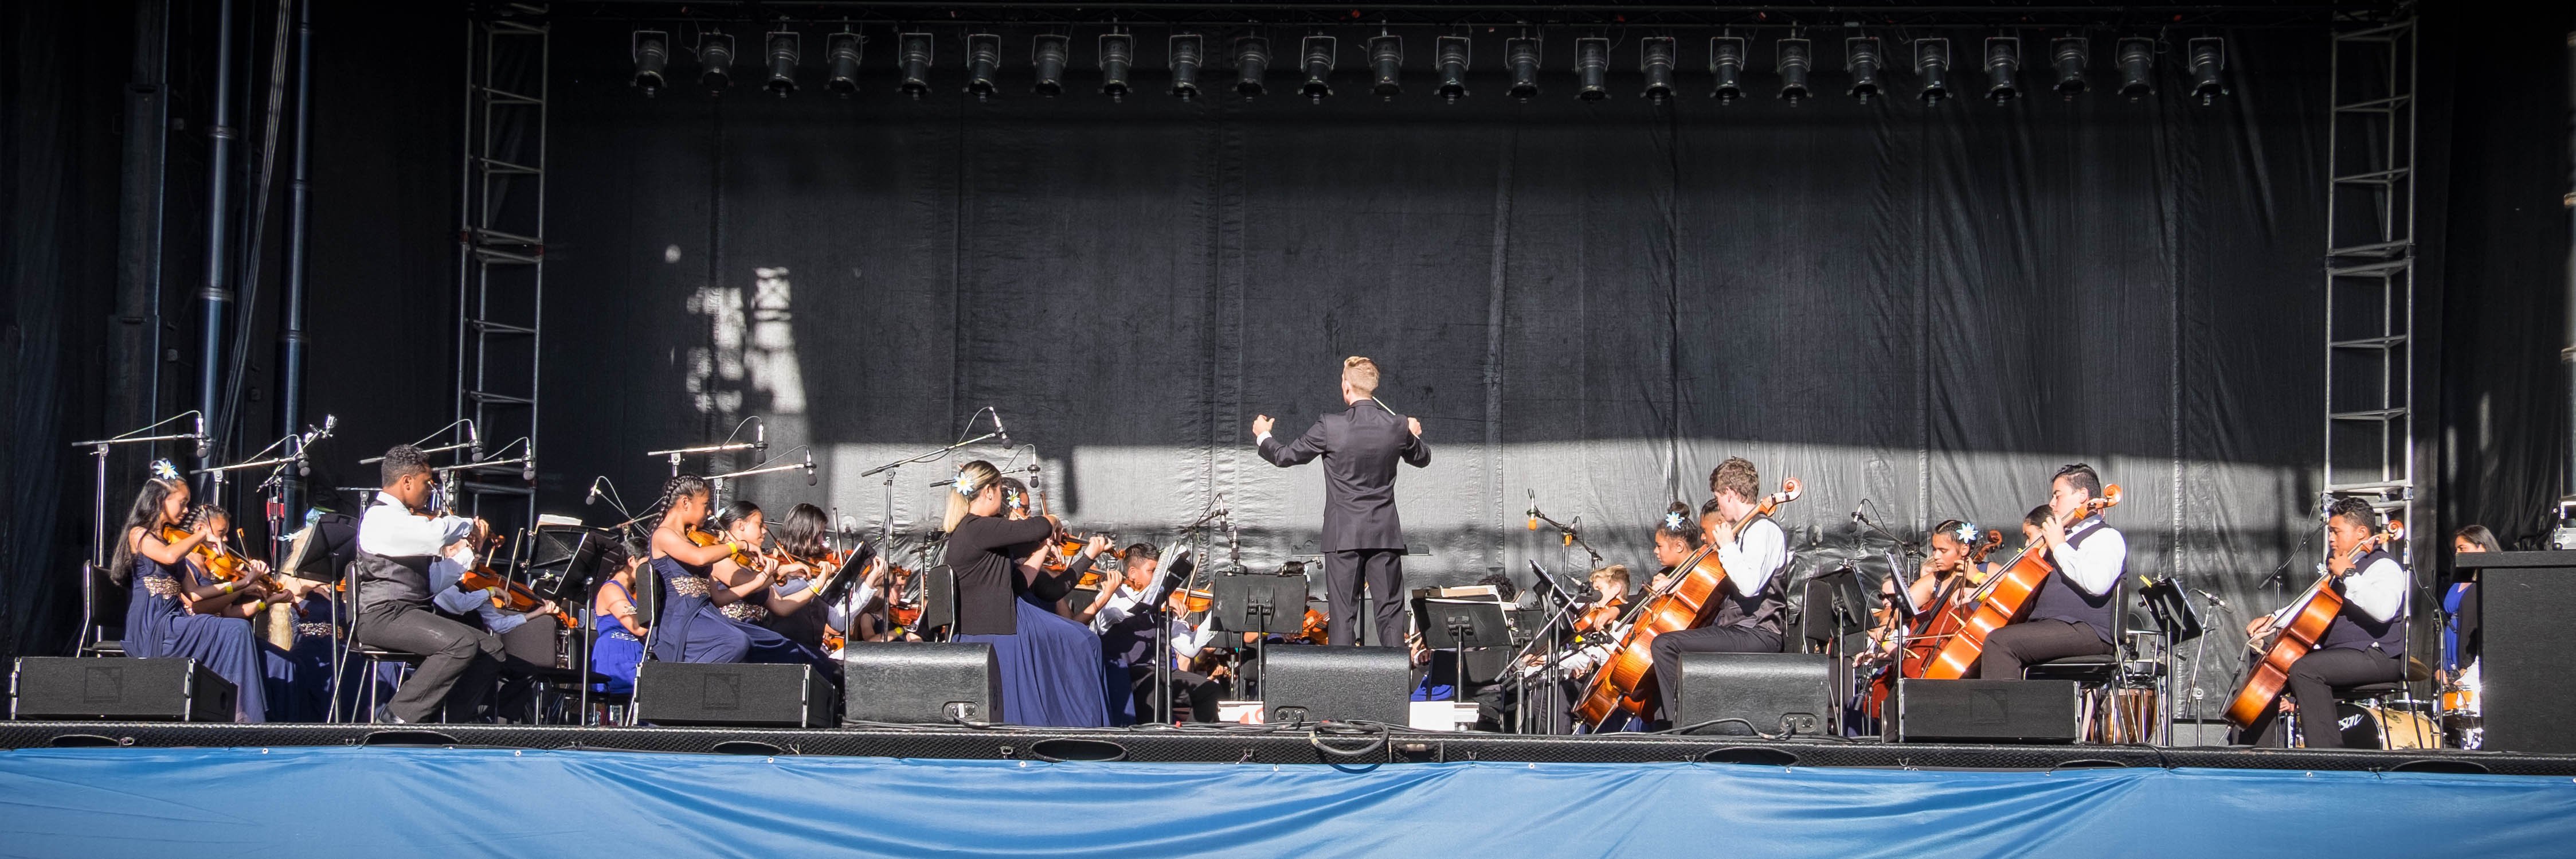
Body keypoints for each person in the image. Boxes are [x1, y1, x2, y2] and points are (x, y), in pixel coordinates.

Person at [1252, 356, 1432, 646]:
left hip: (1343, 534)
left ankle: (1343, 690)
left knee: (1343, 614)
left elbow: (1284, 456)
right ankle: (1396, 689)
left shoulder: (1330, 426)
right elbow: (1423, 458)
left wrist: (1264, 436)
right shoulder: (1396, 425)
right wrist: (1413, 435)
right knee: (1390, 615)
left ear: (1346, 387)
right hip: (1384, 534)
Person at [941, 459, 1111, 727]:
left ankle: (1073, 723)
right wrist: (1054, 521)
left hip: (1000, 620)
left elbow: (1019, 582)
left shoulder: (975, 530)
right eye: (998, 490)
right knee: (1083, 642)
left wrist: (1043, 547)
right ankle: (1082, 725)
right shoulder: (978, 526)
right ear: (989, 492)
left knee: (1082, 640)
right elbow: (1038, 527)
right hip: (998, 626)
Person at [349, 446, 506, 723]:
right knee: (461, 644)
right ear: (407, 481)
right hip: (381, 616)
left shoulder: (405, 521)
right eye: (427, 483)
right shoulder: (380, 518)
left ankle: (448, 722)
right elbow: (436, 535)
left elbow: (432, 582)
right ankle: (396, 717)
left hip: (409, 613)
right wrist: (469, 524)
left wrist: (472, 551)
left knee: (492, 650)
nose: (429, 490)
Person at [2237, 497, 2409, 748]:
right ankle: (2260, 753)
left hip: (2378, 656)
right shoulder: (2337, 571)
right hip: (2340, 655)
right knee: (2268, 669)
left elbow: (2384, 610)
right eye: (2330, 532)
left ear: (2362, 532)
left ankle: (2327, 756)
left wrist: (2349, 574)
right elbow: (2310, 604)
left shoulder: (2384, 566)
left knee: (2305, 669)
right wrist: (2273, 620)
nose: (2331, 538)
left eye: (2337, 532)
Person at [110, 466, 278, 722]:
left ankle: (228, 713)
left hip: (175, 619)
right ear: (159, 501)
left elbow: (197, 595)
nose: (187, 510)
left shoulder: (168, 540)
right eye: (183, 503)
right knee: (235, 630)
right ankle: (243, 717)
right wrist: (201, 534)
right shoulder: (139, 534)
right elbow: (169, 556)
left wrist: (242, 583)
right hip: (153, 625)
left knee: (234, 630)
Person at [1647, 458, 1791, 724]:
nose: (1720, 507)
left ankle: (1679, 728)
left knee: (1665, 646)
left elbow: (1749, 587)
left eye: (1719, 498)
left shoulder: (1763, 530)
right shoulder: (1744, 531)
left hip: (1758, 632)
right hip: (1738, 629)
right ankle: (1675, 723)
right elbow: (1715, 585)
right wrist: (1676, 587)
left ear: (1731, 494)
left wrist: (1726, 546)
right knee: (1665, 639)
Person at [1970, 463, 2123, 680]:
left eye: (2057, 496)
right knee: (1982, 643)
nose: (2052, 504)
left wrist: (2059, 546)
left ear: (2082, 495)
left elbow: (2097, 584)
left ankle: (2003, 715)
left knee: (2000, 642)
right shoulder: (2060, 539)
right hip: (2053, 628)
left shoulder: (2105, 537)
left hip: (2087, 631)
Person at [590, 542, 648, 696]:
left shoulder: (632, 592)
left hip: (635, 652)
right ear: (632, 561)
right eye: (646, 564)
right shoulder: (611, 589)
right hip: (617, 654)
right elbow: (638, 627)